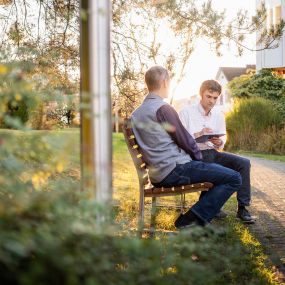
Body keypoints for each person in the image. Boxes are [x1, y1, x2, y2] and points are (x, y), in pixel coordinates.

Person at [131, 66, 242, 229]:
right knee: (234, 177)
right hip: (175, 170)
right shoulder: (163, 108)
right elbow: (185, 140)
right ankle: (190, 221)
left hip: (157, 173)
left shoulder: (136, 113)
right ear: (163, 82)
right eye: (168, 81)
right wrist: (198, 159)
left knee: (221, 173)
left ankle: (196, 219)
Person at [179, 80, 254, 223]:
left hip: (213, 152)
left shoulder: (219, 115)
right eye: (209, 96)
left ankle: (243, 208)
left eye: (215, 98)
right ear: (201, 94)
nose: (212, 101)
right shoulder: (186, 112)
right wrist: (198, 134)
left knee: (244, 163)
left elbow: (222, 137)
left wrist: (220, 142)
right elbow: (181, 139)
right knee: (216, 167)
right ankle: (212, 205)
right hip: (195, 155)